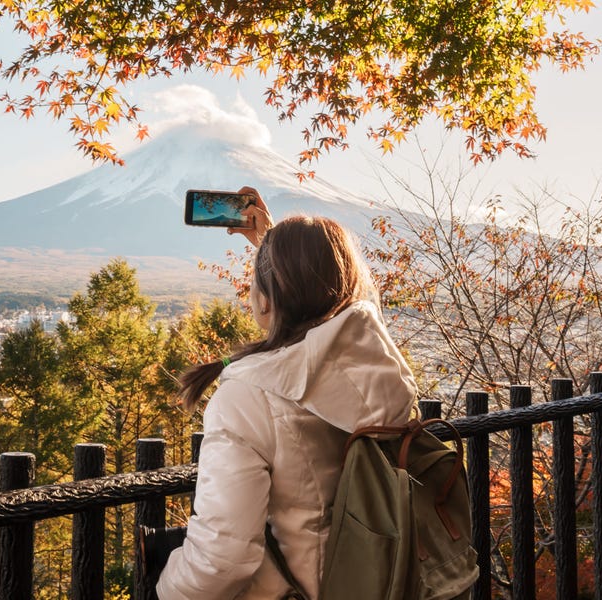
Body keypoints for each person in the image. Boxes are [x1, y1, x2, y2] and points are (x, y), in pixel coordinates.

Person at [156, 187, 420, 599]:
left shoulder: (247, 399)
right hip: (381, 583)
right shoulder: (385, 375)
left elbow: (222, 558)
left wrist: (166, 590)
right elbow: (332, 320)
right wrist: (277, 247)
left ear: (264, 298)